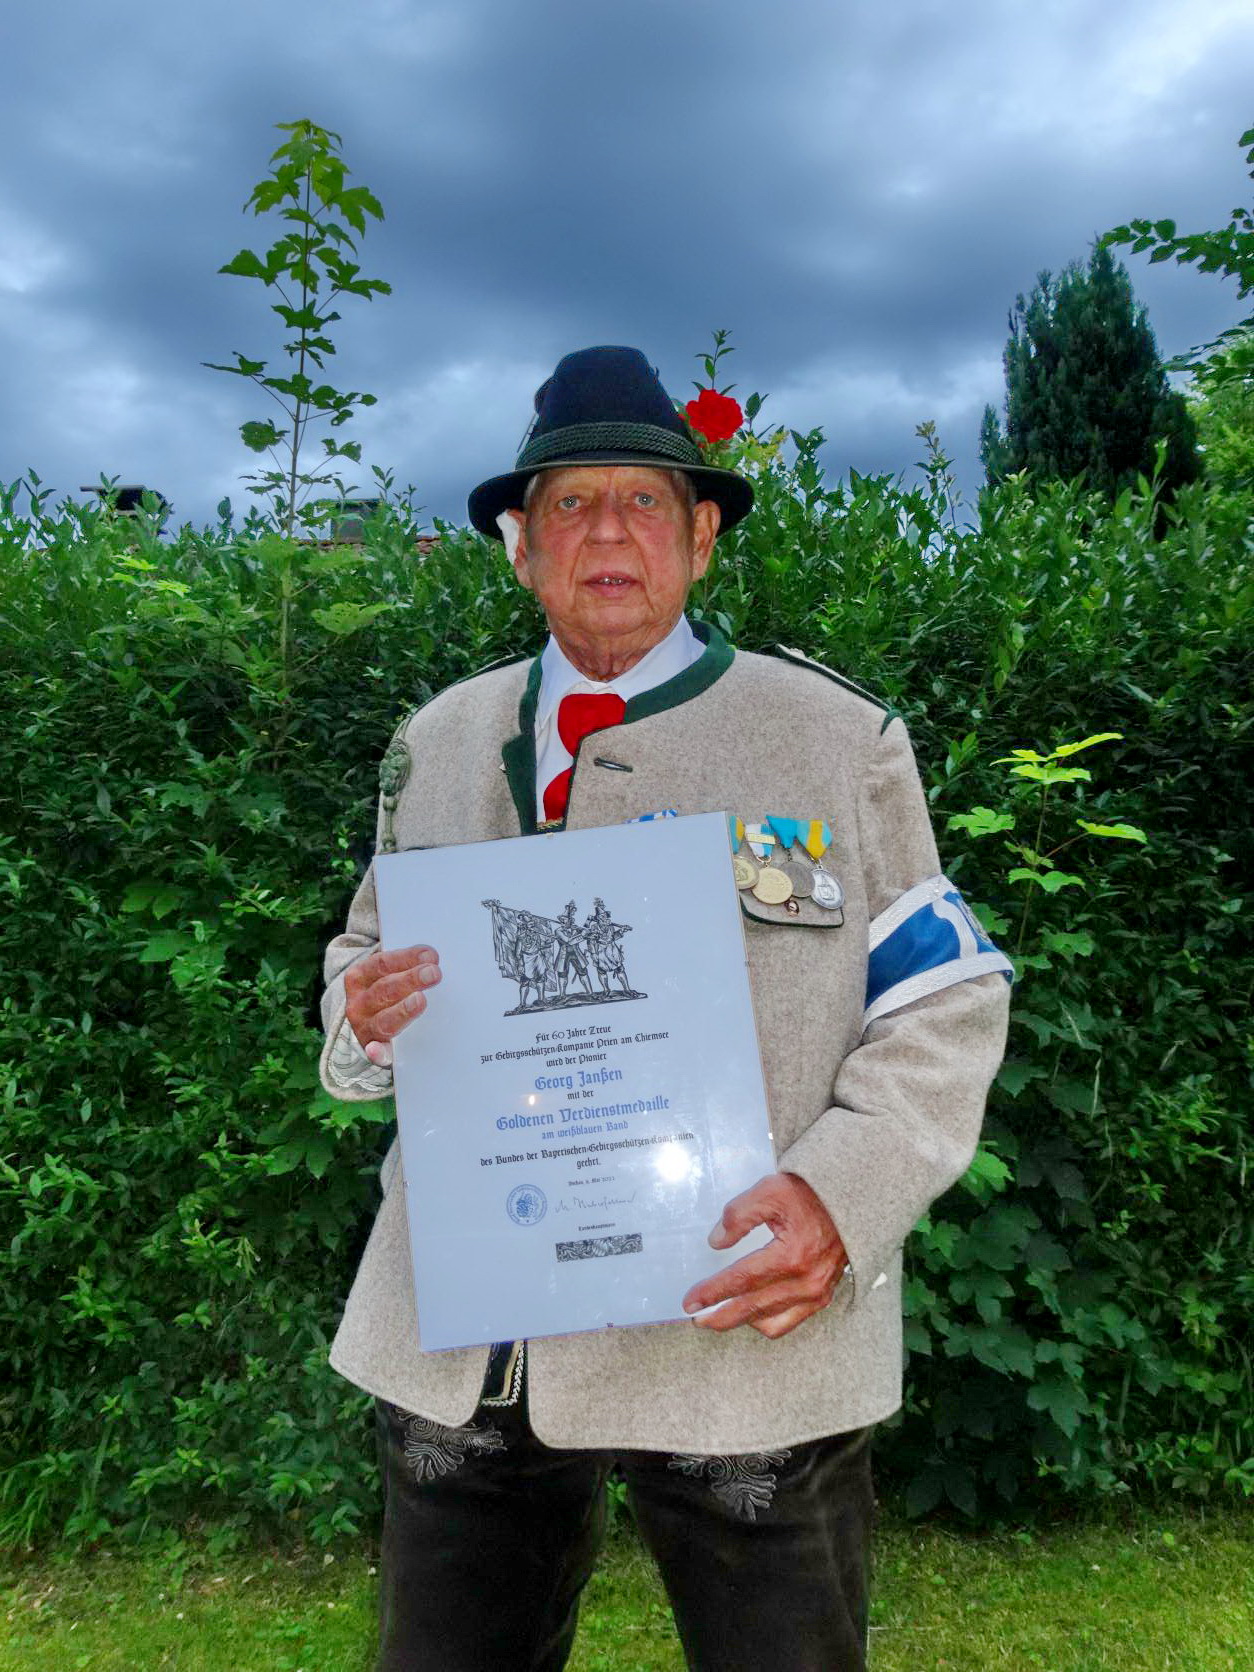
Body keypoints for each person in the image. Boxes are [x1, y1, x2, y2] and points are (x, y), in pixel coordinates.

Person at [320, 346, 1011, 1671]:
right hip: (471, 1335)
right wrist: (365, 1013)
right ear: (520, 547)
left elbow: (945, 997)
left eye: (642, 501)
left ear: (700, 537)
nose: (606, 533)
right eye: (570, 504)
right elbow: (364, 954)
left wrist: (842, 1195)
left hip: (742, 1317)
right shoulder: (438, 740)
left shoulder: (832, 737)